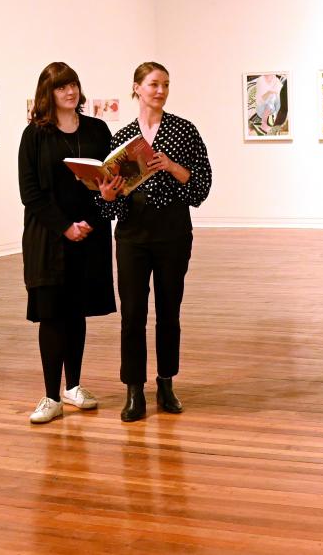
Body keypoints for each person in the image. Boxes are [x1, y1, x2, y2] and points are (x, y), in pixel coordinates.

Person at [96, 62, 212, 422]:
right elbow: (104, 203)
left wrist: (173, 167)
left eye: (165, 85)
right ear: (137, 88)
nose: (160, 91)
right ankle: (134, 390)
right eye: (153, 84)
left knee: (168, 311)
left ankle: (166, 383)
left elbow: (201, 188)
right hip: (132, 232)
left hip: (172, 231)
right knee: (132, 314)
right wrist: (108, 193)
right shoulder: (122, 138)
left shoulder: (184, 131)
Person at [18, 62, 116, 424]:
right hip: (49, 237)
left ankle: (73, 386)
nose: (70, 92)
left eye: (73, 85)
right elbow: (30, 193)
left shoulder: (97, 129)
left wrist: (90, 219)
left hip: (89, 234)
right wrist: (65, 227)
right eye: (61, 87)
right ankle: (49, 395)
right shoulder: (35, 135)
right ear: (49, 94)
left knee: (77, 311)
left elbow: (109, 177)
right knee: (52, 314)